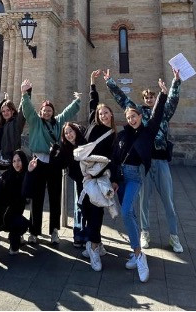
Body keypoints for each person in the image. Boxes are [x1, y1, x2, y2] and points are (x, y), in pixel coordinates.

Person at [106, 67, 183, 253]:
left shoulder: (163, 112)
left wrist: (175, 82)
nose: (149, 99)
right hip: (144, 164)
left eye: (151, 97)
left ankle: (174, 237)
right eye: (146, 97)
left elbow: (173, 100)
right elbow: (124, 101)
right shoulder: (139, 113)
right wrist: (110, 83)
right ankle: (145, 233)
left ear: (155, 98)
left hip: (161, 161)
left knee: (168, 201)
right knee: (143, 201)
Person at [109, 73, 168, 282]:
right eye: (128, 117)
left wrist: (163, 95)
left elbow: (157, 116)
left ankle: (139, 256)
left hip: (134, 177)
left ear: (140, 117)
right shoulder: (122, 135)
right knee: (130, 215)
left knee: (126, 212)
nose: (131, 119)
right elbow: (115, 158)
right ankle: (136, 251)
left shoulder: (148, 132)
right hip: (120, 179)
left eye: (134, 116)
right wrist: (114, 180)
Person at [21, 79, 80, 244]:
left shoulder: (58, 122)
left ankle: (54, 230)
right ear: (40, 112)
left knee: (55, 197)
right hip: (38, 162)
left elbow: (67, 113)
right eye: (44, 110)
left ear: (53, 112)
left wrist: (77, 101)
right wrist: (25, 94)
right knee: (37, 197)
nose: (47, 113)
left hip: (54, 163)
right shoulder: (35, 121)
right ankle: (34, 231)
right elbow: (27, 110)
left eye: (49, 110)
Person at [80, 69, 117, 272]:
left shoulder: (112, 135)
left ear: (111, 115)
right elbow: (93, 103)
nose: (102, 115)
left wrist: (114, 179)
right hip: (84, 174)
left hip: (98, 176)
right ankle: (97, 242)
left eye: (106, 113)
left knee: (96, 211)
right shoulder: (93, 124)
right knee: (87, 209)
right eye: (100, 113)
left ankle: (94, 247)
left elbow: (113, 160)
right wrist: (92, 83)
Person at [0, 93, 26, 187]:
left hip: (9, 167)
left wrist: (25, 94)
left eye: (8, 110)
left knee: (8, 193)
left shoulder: (16, 125)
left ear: (13, 111)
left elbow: (22, 112)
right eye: (3, 111)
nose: (5, 113)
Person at [56, 121, 88, 247]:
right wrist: (55, 154)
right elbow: (61, 164)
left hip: (89, 178)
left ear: (75, 131)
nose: (69, 134)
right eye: (66, 133)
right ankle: (78, 234)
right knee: (79, 205)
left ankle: (88, 234)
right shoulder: (65, 147)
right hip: (77, 179)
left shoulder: (84, 142)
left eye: (71, 131)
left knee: (88, 206)